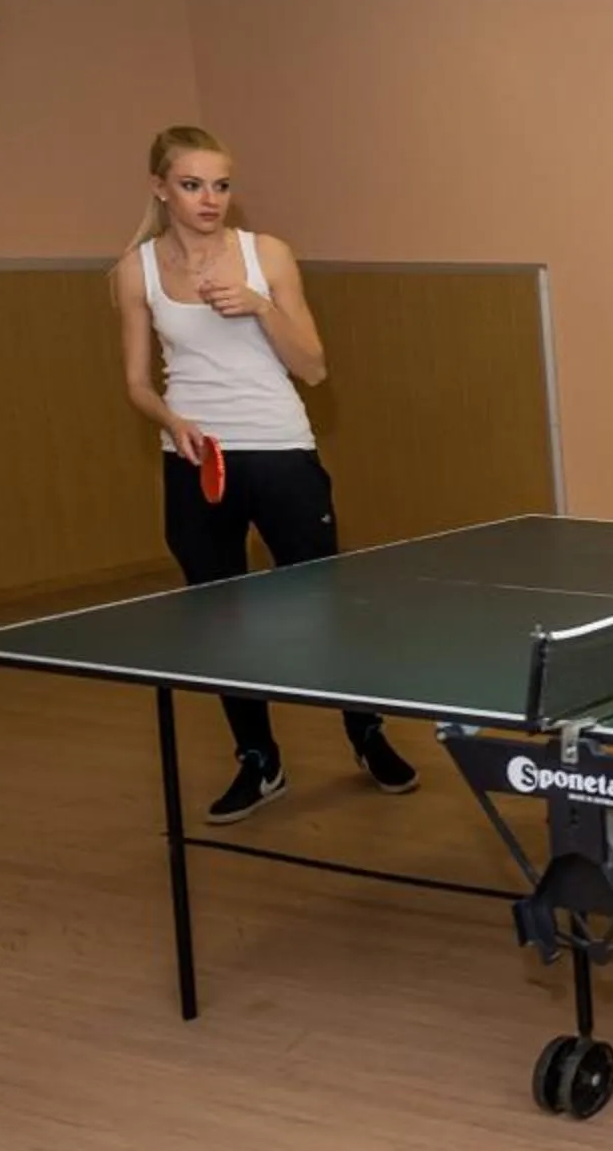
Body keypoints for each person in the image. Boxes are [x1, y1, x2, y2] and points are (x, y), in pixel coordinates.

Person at [112, 123, 418, 822]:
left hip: (280, 450)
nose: (210, 199)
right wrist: (172, 423)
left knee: (324, 609)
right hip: (196, 460)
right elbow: (135, 383)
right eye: (192, 185)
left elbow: (312, 365)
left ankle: (365, 731)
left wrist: (259, 305)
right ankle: (259, 758)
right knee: (219, 621)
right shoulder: (136, 271)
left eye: (221, 185)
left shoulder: (266, 256)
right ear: (161, 188)